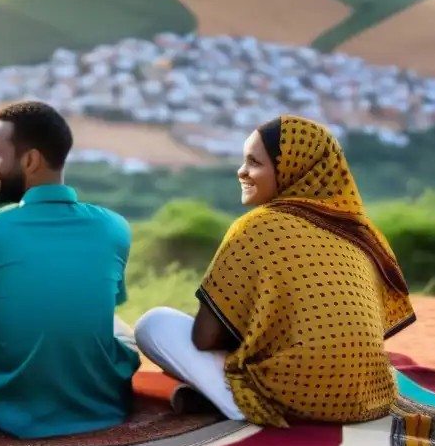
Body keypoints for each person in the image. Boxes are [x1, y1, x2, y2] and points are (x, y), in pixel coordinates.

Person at [134, 115, 416, 427]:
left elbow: (203, 338)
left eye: (254, 162)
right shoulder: (361, 233)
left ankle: (240, 407)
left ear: (291, 168)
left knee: (154, 324)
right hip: (367, 397)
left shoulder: (258, 225)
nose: (242, 171)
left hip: (293, 398)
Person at [0, 101, 140, 440]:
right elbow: (113, 299)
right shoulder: (116, 227)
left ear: (30, 160)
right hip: (104, 403)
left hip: (9, 405)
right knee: (117, 322)